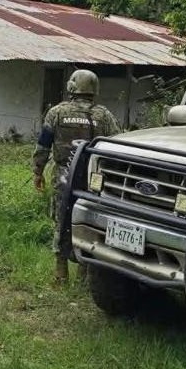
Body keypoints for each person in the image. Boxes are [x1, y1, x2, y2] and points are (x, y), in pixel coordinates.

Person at [32, 69, 121, 285]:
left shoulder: (57, 113)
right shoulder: (104, 115)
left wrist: (38, 171)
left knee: (62, 219)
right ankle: (84, 273)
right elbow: (118, 145)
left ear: (72, 86)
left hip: (64, 174)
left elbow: (43, 144)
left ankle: (60, 273)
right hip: (94, 178)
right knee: (88, 220)